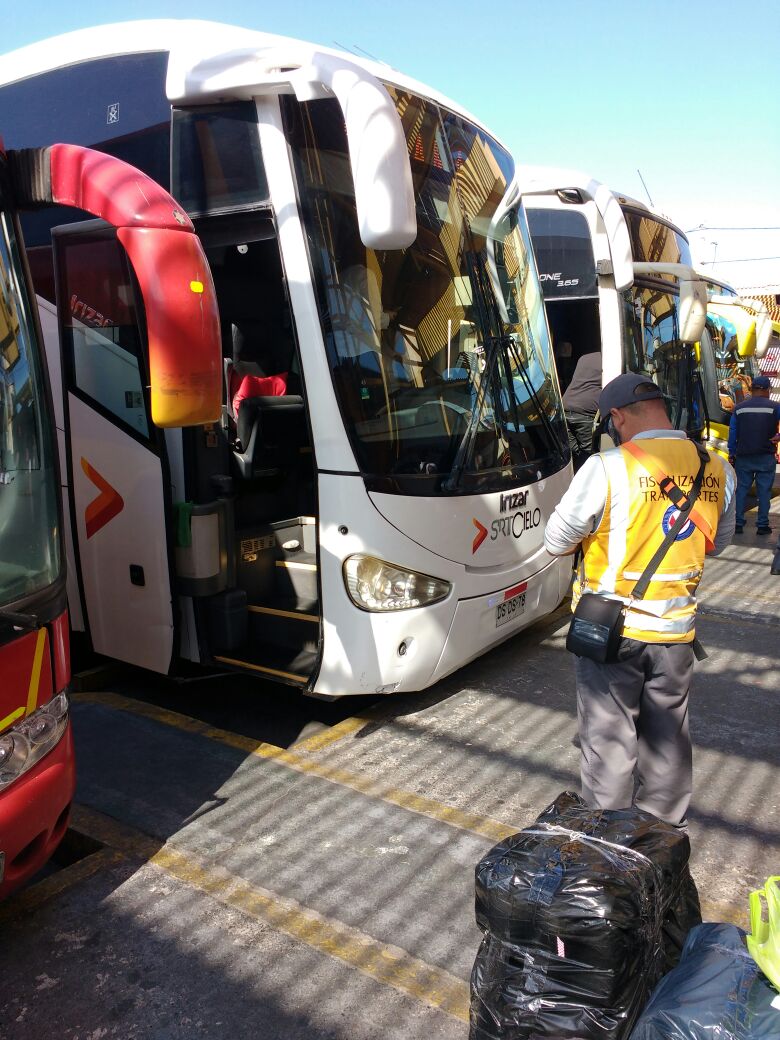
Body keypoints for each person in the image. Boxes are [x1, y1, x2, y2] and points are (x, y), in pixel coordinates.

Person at [544, 372, 736, 828]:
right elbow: (720, 541)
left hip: (612, 632)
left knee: (609, 743)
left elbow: (557, 540)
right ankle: (659, 839)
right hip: (676, 634)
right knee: (667, 739)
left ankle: (607, 852)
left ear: (616, 417)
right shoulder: (716, 467)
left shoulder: (608, 467)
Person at [727, 374, 780, 535]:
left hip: (744, 456)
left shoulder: (739, 408)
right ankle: (762, 526)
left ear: (753, 389)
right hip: (765, 455)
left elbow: (733, 431)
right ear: (766, 390)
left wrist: (732, 452)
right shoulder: (775, 407)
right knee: (764, 491)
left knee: (742, 490)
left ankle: (738, 523)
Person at [562, 350, 601, 471]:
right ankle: (587, 480)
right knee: (589, 454)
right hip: (585, 411)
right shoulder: (608, 361)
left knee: (574, 451)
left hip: (566, 406)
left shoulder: (584, 357)